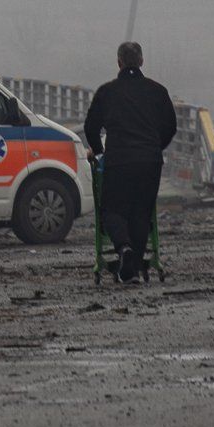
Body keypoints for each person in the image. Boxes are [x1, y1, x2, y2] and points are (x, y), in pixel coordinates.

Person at [83, 41, 177, 283]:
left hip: (119, 160)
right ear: (142, 61)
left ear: (119, 62)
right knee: (141, 212)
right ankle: (133, 270)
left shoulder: (107, 92)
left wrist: (99, 152)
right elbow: (170, 126)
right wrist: (154, 148)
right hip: (149, 162)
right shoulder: (158, 91)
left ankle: (124, 248)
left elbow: (91, 127)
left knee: (112, 210)